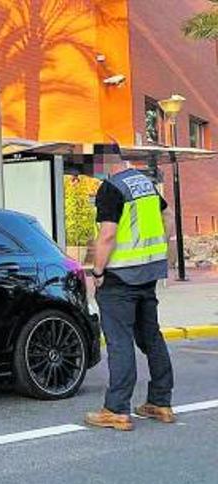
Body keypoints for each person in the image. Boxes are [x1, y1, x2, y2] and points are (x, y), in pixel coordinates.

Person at [85, 146, 175, 432]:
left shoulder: (111, 189)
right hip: (148, 274)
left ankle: (116, 409)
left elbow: (107, 235)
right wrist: (162, 254)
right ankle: (160, 402)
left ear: (103, 163)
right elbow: (168, 217)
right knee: (152, 338)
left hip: (119, 278)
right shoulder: (144, 183)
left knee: (119, 342)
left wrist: (97, 272)